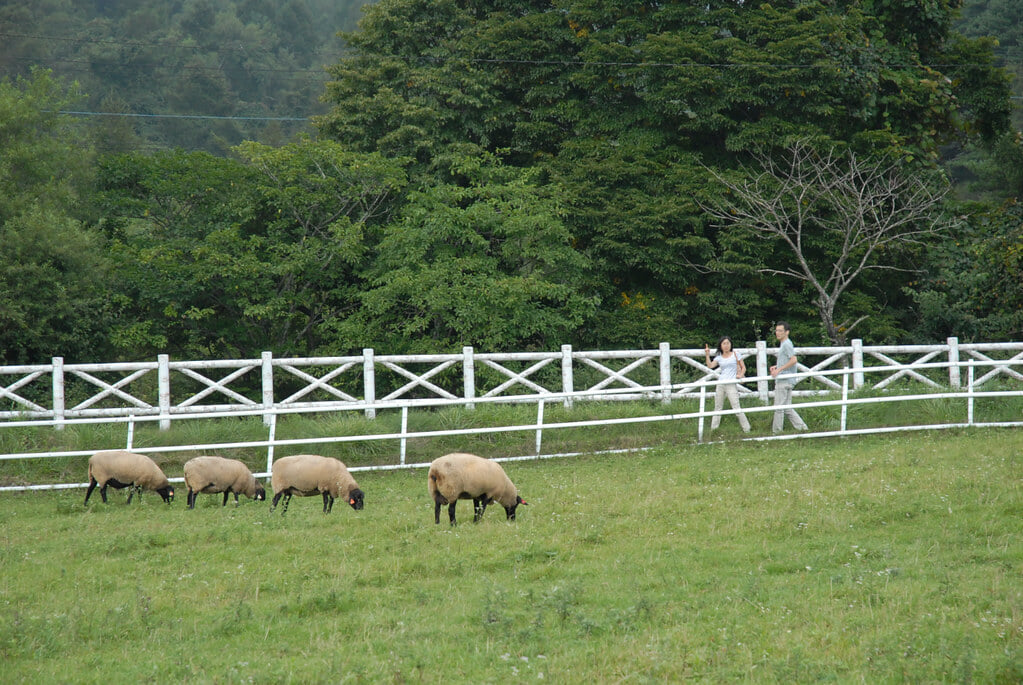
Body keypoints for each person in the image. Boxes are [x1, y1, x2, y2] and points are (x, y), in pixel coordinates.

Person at [704, 336, 751, 433]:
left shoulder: (736, 354)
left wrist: (741, 375)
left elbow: (743, 367)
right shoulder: (719, 357)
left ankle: (747, 429)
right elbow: (710, 366)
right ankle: (714, 430)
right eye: (724, 344)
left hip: (731, 383)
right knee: (718, 407)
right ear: (721, 346)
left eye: (728, 343)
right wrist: (707, 355)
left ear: (731, 344)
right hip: (721, 383)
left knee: (736, 406)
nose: (726, 346)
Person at [769, 321, 808, 433]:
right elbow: (787, 360)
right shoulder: (785, 344)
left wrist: (779, 370)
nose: (778, 333)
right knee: (787, 408)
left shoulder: (786, 344)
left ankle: (776, 432)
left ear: (787, 332)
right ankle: (802, 428)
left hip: (784, 379)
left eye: (780, 331)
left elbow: (793, 360)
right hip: (787, 378)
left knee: (779, 408)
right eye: (776, 330)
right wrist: (777, 366)